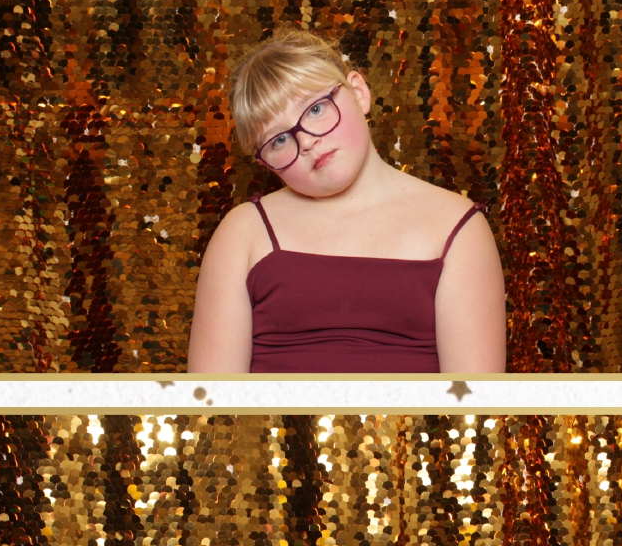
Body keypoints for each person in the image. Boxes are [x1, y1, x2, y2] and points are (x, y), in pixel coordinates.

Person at [186, 29, 506, 375]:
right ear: (266, 165)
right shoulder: (242, 231)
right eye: (279, 140)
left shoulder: (458, 228)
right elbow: (212, 398)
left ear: (358, 92)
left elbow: (473, 399)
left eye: (315, 109)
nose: (306, 142)